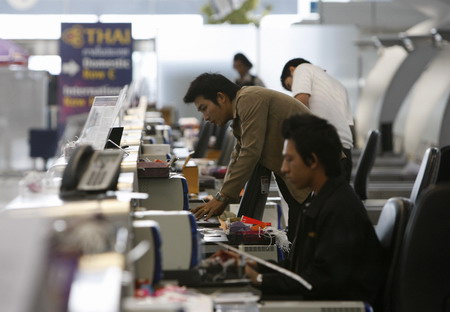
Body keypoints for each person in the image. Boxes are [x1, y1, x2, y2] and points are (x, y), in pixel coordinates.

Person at [243, 113, 383, 305]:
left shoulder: (339, 209)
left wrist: (260, 280)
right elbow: (298, 268)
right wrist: (255, 266)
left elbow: (322, 282)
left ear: (313, 160)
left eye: (290, 159)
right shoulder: (320, 200)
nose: (283, 168)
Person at [182, 73, 310, 240]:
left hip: (318, 170)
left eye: (204, 108)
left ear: (221, 97)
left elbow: (250, 152)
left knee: (306, 237)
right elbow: (238, 156)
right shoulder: (239, 115)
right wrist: (222, 196)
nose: (205, 118)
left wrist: (223, 197)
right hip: (298, 173)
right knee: (298, 235)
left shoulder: (249, 98)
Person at [280, 58, 354, 182]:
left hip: (325, 146)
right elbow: (348, 124)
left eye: (289, 85)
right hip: (345, 150)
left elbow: (301, 104)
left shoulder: (302, 68)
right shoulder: (337, 83)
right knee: (334, 198)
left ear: (292, 70)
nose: (293, 89)